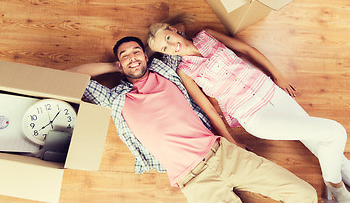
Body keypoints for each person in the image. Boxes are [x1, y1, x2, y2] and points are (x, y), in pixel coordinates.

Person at [67, 36, 317, 203]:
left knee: (305, 194)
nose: (132, 57)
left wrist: (148, 51)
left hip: (224, 155)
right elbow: (71, 76)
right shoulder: (117, 99)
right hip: (195, 182)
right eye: (125, 55)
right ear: (119, 64)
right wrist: (114, 66)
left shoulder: (166, 70)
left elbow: (176, 36)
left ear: (145, 55)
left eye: (136, 51)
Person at [147, 14, 350, 202]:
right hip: (254, 116)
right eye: (164, 49)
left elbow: (246, 50)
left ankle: (336, 190)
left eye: (167, 38)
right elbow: (209, 109)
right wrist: (231, 141)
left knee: (317, 140)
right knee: (334, 132)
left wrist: (277, 75)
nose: (171, 46)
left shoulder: (206, 35)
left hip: (272, 92)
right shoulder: (185, 71)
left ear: (174, 30)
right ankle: (337, 189)